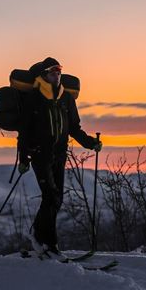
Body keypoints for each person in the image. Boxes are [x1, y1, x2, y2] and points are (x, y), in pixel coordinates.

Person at [18, 57, 102, 257]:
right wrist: (23, 158)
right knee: (50, 197)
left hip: (59, 155)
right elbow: (24, 131)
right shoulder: (34, 98)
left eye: (58, 72)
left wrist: (90, 143)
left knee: (57, 199)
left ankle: (38, 234)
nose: (56, 75)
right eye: (53, 72)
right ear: (45, 75)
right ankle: (50, 244)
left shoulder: (67, 99)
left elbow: (74, 128)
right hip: (40, 155)